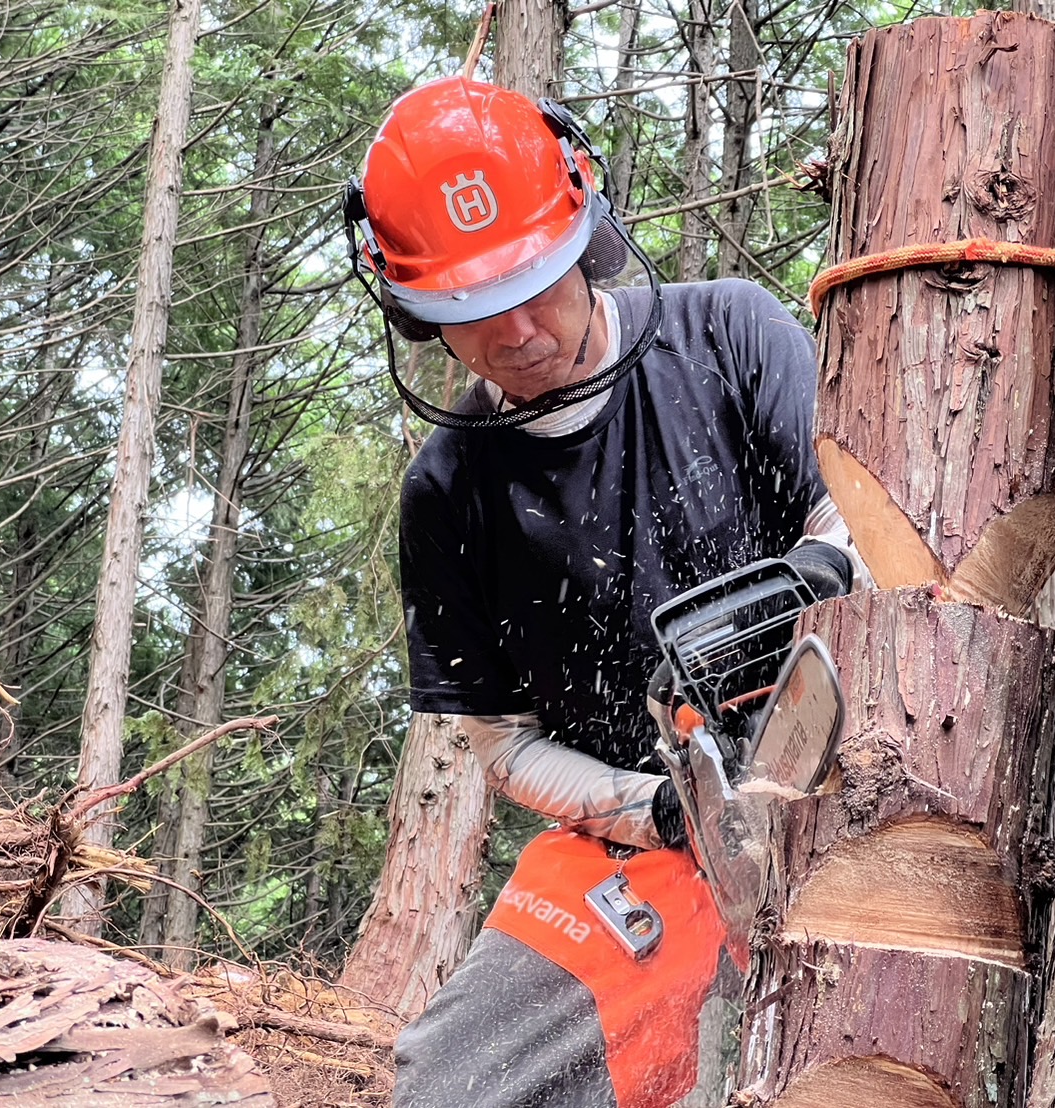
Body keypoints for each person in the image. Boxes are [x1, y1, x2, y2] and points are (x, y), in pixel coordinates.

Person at [346, 74, 865, 1108]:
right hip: (640, 829)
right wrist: (656, 808)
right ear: (417, 316)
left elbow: (857, 511)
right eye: (477, 312)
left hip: (842, 775)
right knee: (456, 1083)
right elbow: (503, 742)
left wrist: (823, 571)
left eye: (537, 283)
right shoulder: (449, 493)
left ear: (586, 233)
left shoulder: (729, 336)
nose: (521, 330)